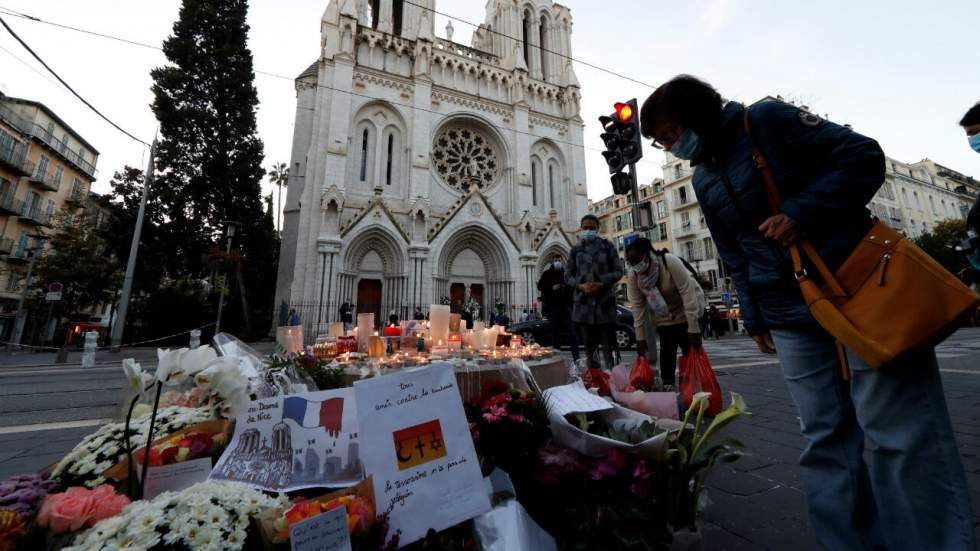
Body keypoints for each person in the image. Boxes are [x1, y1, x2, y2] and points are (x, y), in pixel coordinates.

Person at [640, 75, 975, 550]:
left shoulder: (768, 119)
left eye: (672, 134)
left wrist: (800, 212)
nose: (671, 146)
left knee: (896, 434)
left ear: (697, 115)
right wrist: (754, 315)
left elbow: (864, 157)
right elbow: (733, 251)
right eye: (663, 141)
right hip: (788, 312)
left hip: (856, 287)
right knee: (824, 439)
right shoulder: (703, 175)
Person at [625, 238, 704, 390]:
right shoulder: (634, 276)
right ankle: (668, 386)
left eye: (637, 260)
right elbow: (638, 308)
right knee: (667, 350)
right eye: (630, 262)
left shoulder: (669, 262)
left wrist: (694, 328)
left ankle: (697, 387)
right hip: (663, 316)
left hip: (685, 311)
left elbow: (687, 293)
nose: (635, 265)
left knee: (690, 350)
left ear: (647, 254)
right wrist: (640, 339)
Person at [565, 214, 623, 370]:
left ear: (598, 229)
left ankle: (613, 376)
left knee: (608, 345)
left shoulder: (608, 246)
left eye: (592, 228)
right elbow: (567, 275)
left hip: (604, 304)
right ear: (581, 229)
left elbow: (619, 271)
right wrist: (580, 286)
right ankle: (595, 378)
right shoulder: (575, 250)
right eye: (585, 228)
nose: (588, 230)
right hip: (584, 306)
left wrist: (602, 283)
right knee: (589, 347)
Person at [537, 253, 581, 362]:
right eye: (555, 259)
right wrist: (551, 288)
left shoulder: (566, 273)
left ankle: (577, 358)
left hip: (565, 306)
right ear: (552, 261)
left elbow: (573, 286)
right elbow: (540, 287)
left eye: (559, 259)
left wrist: (562, 286)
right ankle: (557, 357)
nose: (557, 261)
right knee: (555, 333)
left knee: (571, 332)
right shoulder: (546, 274)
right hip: (553, 307)